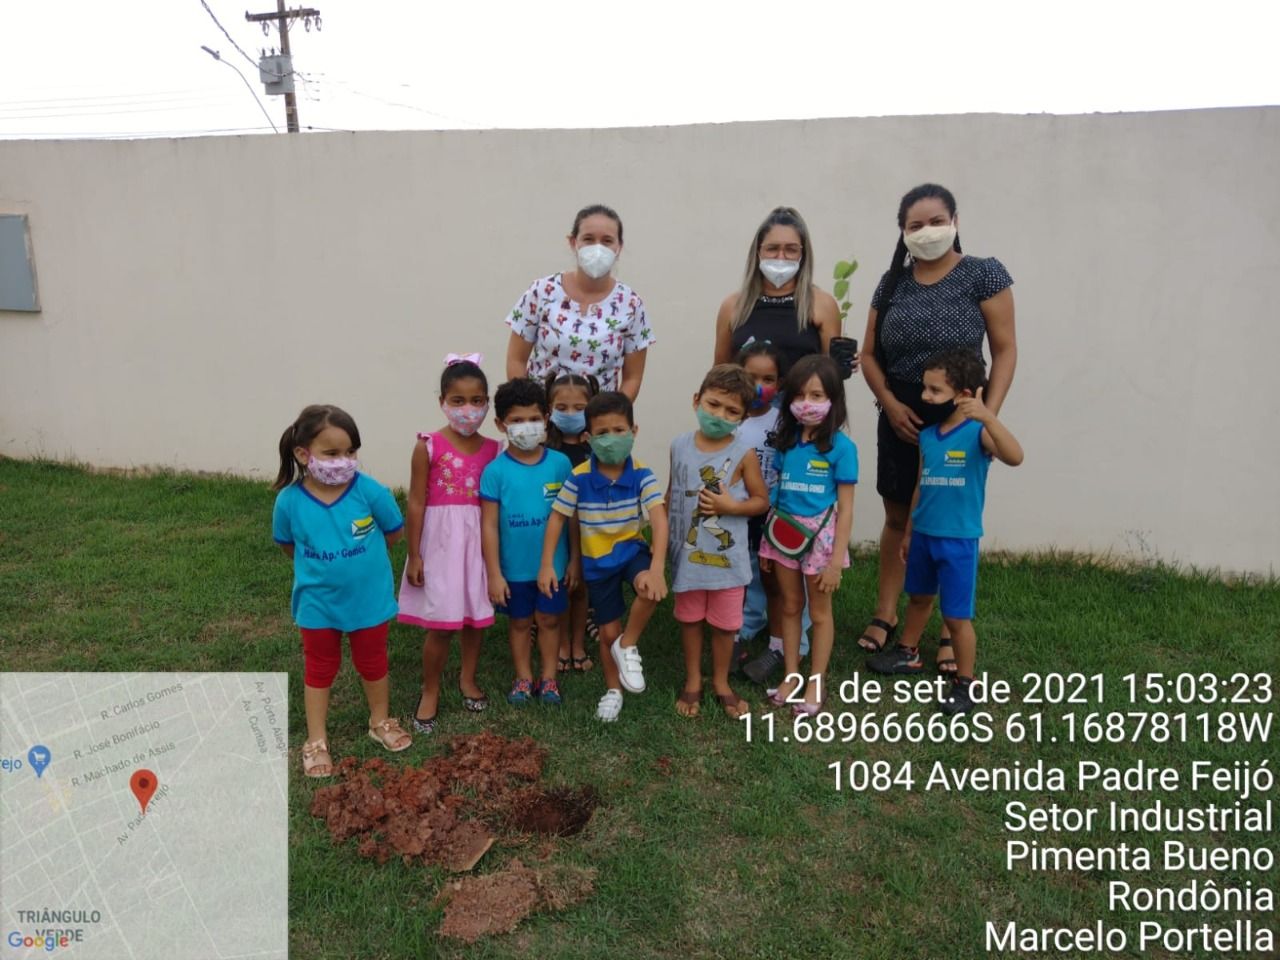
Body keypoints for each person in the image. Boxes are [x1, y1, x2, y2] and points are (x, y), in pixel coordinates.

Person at [856, 183, 1016, 672]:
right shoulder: (891, 284)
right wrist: (888, 403)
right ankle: (887, 613)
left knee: (951, 518)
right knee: (899, 516)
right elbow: (868, 354)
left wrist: (984, 414)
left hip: (962, 412)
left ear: (955, 222)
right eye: (916, 225)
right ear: (903, 232)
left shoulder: (984, 274)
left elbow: (1005, 349)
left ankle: (950, 626)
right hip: (901, 413)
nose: (927, 231)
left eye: (936, 221)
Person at [866, 350, 1023, 715]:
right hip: (923, 535)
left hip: (958, 541)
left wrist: (988, 417)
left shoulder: (979, 434)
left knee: (956, 617)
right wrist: (909, 532)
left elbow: (1015, 456)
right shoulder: (929, 437)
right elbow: (920, 486)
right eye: (925, 388)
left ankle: (965, 683)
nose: (925, 397)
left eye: (935, 391)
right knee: (918, 598)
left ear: (964, 395)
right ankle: (907, 652)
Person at [272, 404, 411, 777]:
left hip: (369, 599)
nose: (343, 461)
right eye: (331, 453)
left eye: (350, 452)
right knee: (319, 665)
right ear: (304, 454)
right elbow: (287, 545)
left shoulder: (370, 491)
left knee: (373, 659)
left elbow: (394, 532)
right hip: (317, 603)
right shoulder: (288, 501)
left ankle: (380, 721)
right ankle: (316, 739)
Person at [538, 391, 669, 722]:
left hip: (631, 551)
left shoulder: (642, 473)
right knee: (608, 632)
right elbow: (557, 518)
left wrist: (657, 568)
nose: (611, 439)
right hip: (597, 563)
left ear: (634, 431)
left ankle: (628, 646)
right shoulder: (579, 476)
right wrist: (547, 564)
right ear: (588, 437)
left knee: (650, 589)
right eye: (602, 433)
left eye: (619, 430)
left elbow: (658, 517)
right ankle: (613, 690)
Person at [397, 354, 500, 733]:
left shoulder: (495, 451)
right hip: (440, 546)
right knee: (441, 624)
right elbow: (416, 501)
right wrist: (414, 554)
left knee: (474, 618)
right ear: (442, 401)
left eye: (477, 401)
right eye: (458, 401)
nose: (468, 409)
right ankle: (430, 689)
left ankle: (467, 679)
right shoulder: (429, 446)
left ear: (487, 402)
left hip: (478, 545)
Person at [667, 364, 770, 718]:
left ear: (743, 417)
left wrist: (731, 506)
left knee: (726, 625)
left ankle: (722, 681)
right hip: (687, 557)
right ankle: (693, 679)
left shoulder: (744, 453)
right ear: (697, 400)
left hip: (727, 562)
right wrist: (661, 540)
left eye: (731, 411)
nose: (719, 415)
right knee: (690, 619)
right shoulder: (679, 445)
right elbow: (672, 494)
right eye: (713, 405)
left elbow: (761, 501)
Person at [758, 355, 857, 714]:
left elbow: (846, 508)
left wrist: (835, 562)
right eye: (799, 395)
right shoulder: (786, 442)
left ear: (833, 399)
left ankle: (816, 681)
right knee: (789, 605)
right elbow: (777, 493)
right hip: (782, 534)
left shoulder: (842, 448)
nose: (807, 403)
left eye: (817, 395)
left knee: (819, 613)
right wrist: (766, 547)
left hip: (821, 540)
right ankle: (791, 675)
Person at [481, 379, 576, 707]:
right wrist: (495, 573)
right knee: (520, 622)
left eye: (534, 418)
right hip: (514, 568)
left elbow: (572, 518)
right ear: (500, 424)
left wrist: (574, 560)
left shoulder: (560, 465)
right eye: (517, 420)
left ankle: (549, 678)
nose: (526, 426)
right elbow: (489, 525)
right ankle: (523, 677)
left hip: (554, 566)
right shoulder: (494, 472)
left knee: (549, 620)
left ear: (546, 418)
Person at [505, 204, 655, 399]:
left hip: (600, 416)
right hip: (542, 414)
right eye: (588, 239)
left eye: (607, 241)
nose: (598, 248)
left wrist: (612, 413)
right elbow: (516, 360)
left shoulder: (631, 305)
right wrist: (529, 408)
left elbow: (632, 378)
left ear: (619, 247)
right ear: (573, 242)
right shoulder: (541, 292)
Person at [731, 340, 813, 683]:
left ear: (780, 384)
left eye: (768, 379)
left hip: (776, 513)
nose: (758, 386)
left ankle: (788, 642)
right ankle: (745, 625)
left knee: (779, 579)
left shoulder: (784, 422)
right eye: (751, 377)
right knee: (743, 571)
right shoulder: (728, 419)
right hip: (736, 511)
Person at [713, 207, 842, 374]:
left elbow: (832, 376)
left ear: (803, 255)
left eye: (791, 249)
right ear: (758, 251)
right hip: (747, 393)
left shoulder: (822, 305)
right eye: (772, 248)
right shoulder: (733, 306)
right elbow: (720, 375)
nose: (781, 257)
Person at [543, 371, 600, 673]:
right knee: (563, 587)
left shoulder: (597, 446)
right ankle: (562, 644)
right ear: (549, 409)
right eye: (562, 408)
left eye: (579, 408)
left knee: (582, 589)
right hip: (557, 530)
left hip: (591, 530)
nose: (570, 414)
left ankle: (578, 644)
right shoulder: (546, 449)